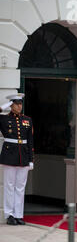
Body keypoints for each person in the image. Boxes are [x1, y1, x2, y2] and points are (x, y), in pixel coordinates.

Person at [0, 94, 34, 226]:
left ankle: (19, 214)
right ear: (11, 105)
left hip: (24, 156)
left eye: (20, 104)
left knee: (20, 187)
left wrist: (31, 159)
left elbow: (30, 141)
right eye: (16, 104)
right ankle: (9, 214)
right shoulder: (4, 119)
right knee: (9, 186)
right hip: (9, 155)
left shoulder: (27, 120)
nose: (20, 106)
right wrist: (4, 107)